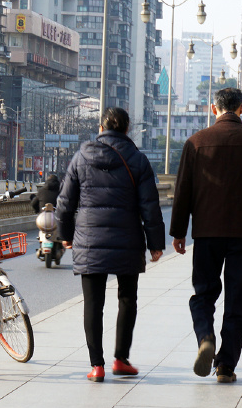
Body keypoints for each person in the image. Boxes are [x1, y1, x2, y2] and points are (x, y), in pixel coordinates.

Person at [56, 107, 165, 383]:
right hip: (127, 238)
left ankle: (96, 366)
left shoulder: (82, 156)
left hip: (89, 239)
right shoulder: (138, 160)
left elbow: (65, 202)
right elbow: (150, 206)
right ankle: (120, 359)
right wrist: (155, 243)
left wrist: (65, 235)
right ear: (127, 129)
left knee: (93, 304)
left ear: (101, 127)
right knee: (127, 299)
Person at [171, 87, 242, 383]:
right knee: (238, 299)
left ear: (214, 109)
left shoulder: (196, 142)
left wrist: (178, 232)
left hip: (207, 232)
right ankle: (225, 366)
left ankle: (205, 337)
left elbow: (183, 190)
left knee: (203, 294)